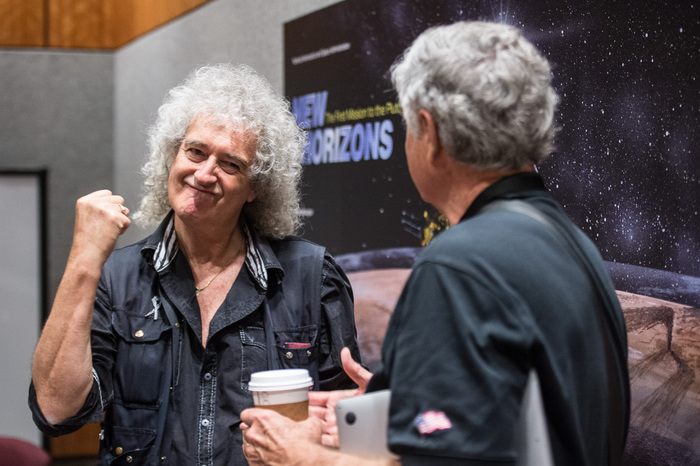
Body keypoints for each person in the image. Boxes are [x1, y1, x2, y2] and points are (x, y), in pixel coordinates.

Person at [240, 21, 631, 465]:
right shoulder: (574, 245)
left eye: (408, 124)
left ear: (430, 133)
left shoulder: (459, 265)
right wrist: (408, 403)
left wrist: (299, 455)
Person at [29, 63, 362, 465]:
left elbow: (347, 426)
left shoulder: (312, 276)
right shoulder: (115, 278)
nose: (204, 174)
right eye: (196, 152)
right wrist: (84, 260)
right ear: (172, 156)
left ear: (255, 188)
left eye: (230, 164)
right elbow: (56, 410)